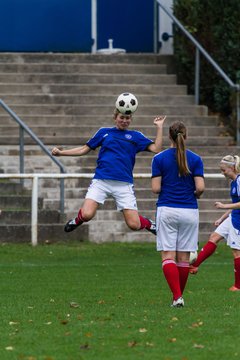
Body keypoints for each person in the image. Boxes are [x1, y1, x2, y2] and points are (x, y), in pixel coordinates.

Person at [52, 101, 166, 236]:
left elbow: (156, 149)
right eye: (121, 118)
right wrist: (61, 153)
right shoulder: (104, 132)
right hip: (101, 182)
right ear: (115, 118)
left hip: (123, 185)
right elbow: (84, 149)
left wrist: (159, 127)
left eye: (127, 118)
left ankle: (148, 223)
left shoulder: (136, 136)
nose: (124, 121)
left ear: (131, 119)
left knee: (134, 225)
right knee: (87, 215)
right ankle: (77, 220)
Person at [151, 121, 205, 307]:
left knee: (168, 256)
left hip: (168, 209)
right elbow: (200, 188)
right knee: (183, 258)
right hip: (189, 210)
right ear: (186, 136)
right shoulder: (196, 159)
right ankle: (178, 297)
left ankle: (177, 297)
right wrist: (194, 193)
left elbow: (156, 188)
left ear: (168, 137)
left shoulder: (159, 159)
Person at [189, 155, 240, 292]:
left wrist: (223, 206)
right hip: (232, 217)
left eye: (224, 170)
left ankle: (238, 286)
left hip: (238, 221)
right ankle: (195, 265)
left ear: (232, 168)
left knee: (236, 252)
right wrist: (222, 218)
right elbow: (235, 205)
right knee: (214, 237)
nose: (222, 172)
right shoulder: (233, 182)